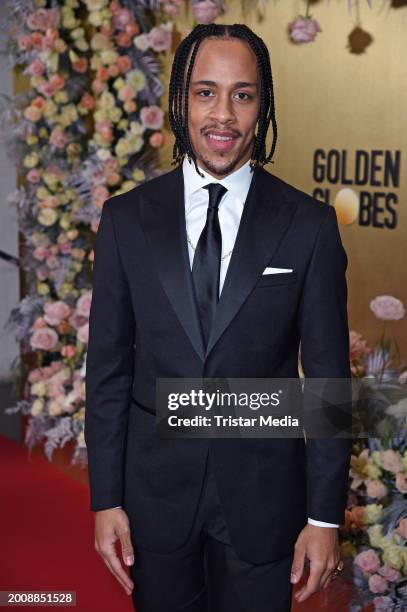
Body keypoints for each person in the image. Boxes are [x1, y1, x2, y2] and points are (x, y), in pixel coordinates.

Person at [85, 23, 352, 612]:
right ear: (180, 101)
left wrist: (323, 516)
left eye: (243, 94)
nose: (223, 115)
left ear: (264, 106)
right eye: (206, 92)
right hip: (154, 500)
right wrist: (105, 499)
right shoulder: (126, 220)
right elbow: (107, 371)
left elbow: (330, 384)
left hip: (264, 501)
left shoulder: (308, 227)